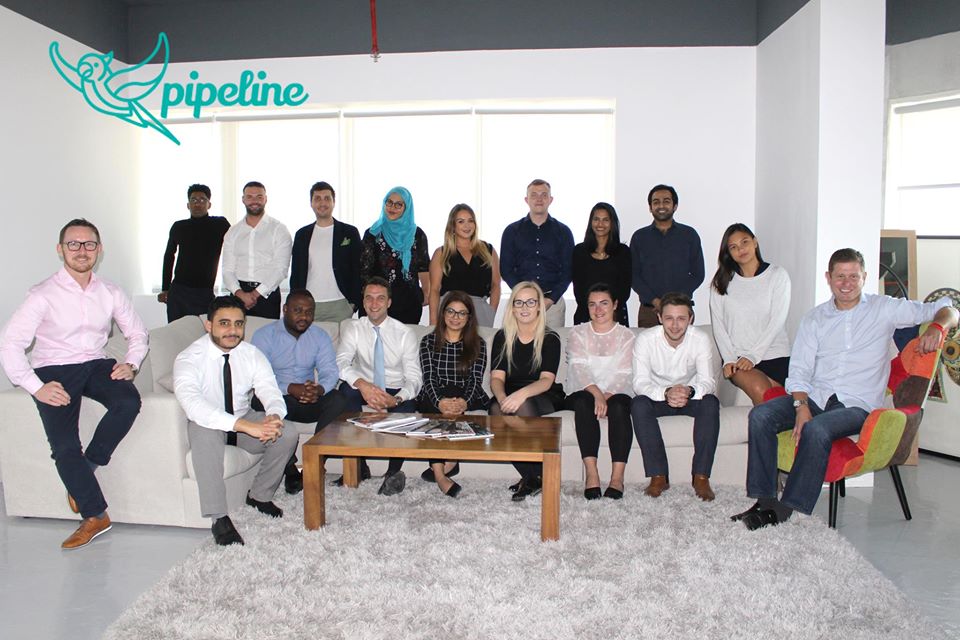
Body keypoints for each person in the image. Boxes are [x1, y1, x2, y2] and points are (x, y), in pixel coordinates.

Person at [735, 248, 958, 530]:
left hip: (857, 405)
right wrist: (801, 406)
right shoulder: (815, 318)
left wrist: (938, 326)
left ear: (864, 277)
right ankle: (764, 502)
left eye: (854, 276)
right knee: (760, 416)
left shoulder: (885, 308)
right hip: (816, 397)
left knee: (817, 429)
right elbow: (800, 369)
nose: (847, 283)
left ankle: (788, 508)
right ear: (829, 278)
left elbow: (949, 308)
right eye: (840, 276)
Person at [0, 219, 146, 549]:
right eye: (73, 244)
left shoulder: (110, 292)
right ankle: (96, 516)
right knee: (65, 446)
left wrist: (132, 363)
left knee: (128, 402)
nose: (82, 250)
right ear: (60, 249)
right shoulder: (42, 294)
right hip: (54, 368)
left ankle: (89, 464)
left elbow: (138, 333)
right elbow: (9, 344)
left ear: (99, 249)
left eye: (89, 244)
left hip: (95, 363)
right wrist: (35, 386)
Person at [173, 295, 299, 546]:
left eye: (238, 324)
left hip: (243, 417)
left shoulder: (251, 354)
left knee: (288, 433)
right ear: (209, 325)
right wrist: (245, 426)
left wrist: (274, 416)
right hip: (208, 421)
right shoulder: (189, 358)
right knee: (204, 435)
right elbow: (193, 405)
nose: (232, 331)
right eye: (224, 323)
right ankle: (219, 518)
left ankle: (259, 496)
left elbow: (270, 390)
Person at [251, 289, 348, 495]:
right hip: (280, 398)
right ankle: (290, 468)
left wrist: (319, 389)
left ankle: (315, 461)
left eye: (309, 312)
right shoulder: (264, 335)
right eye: (298, 310)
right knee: (258, 401)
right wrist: (289, 388)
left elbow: (330, 371)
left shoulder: (319, 336)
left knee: (339, 399)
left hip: (309, 399)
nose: (304, 316)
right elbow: (258, 377)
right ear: (285, 309)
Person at [336, 277, 422, 495]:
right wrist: (363, 385)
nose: (374, 304)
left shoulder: (405, 333)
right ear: (363, 302)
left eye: (380, 298)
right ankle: (359, 466)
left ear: (389, 303)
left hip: (394, 389)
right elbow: (341, 363)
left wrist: (396, 399)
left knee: (408, 407)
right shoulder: (354, 328)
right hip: (365, 385)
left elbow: (414, 378)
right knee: (344, 394)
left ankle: (392, 473)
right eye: (369, 298)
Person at [630, 291, 719, 501]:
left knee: (711, 402)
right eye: (669, 318)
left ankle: (701, 477)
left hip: (690, 397)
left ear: (691, 319)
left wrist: (690, 391)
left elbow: (708, 381)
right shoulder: (645, 340)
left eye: (681, 318)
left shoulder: (700, 339)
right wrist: (666, 393)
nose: (675, 325)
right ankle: (658, 476)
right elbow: (640, 383)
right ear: (659, 318)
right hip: (659, 397)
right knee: (638, 404)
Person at [490, 281, 565, 501]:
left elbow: (546, 380)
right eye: (519, 302)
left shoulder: (551, 338)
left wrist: (520, 395)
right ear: (512, 307)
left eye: (531, 302)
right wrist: (502, 398)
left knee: (522, 406)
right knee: (496, 410)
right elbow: (496, 379)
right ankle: (535, 476)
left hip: (541, 393)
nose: (524, 307)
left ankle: (533, 477)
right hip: (509, 392)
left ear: (539, 306)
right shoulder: (502, 337)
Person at [564, 283, 635, 500]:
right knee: (583, 402)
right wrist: (597, 395)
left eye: (604, 303)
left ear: (615, 305)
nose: (598, 309)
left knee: (620, 406)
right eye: (592, 304)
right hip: (584, 390)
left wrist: (607, 396)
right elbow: (579, 368)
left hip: (617, 392)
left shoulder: (627, 336)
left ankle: (617, 478)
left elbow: (625, 372)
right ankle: (591, 474)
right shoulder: (577, 333)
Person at [709, 223, 791, 405]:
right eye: (733, 247)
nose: (740, 249)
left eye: (744, 242)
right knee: (762, 392)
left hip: (775, 354)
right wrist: (729, 359)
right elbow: (719, 325)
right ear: (728, 253)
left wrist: (753, 356)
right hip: (738, 357)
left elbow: (777, 321)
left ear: (755, 242)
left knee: (782, 402)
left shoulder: (777, 275)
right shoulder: (721, 282)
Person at [418, 291, 490, 497]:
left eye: (461, 313)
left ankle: (440, 469)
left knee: (452, 393)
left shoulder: (478, 343)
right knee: (435, 404)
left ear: (469, 317)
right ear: (443, 313)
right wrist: (440, 402)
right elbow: (429, 377)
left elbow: (475, 379)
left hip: (466, 395)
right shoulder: (428, 341)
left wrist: (465, 402)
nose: (455, 317)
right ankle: (442, 474)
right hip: (434, 395)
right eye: (451, 311)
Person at [500, 179, 575, 328]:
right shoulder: (512, 231)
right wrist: (525, 298)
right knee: (515, 342)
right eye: (534, 195)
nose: (539, 199)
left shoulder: (563, 232)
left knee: (553, 342)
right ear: (526, 200)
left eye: (544, 195)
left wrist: (550, 299)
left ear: (551, 199)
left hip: (552, 305)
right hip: (521, 304)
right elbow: (506, 269)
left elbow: (568, 271)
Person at [629, 184, 705, 328]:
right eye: (656, 202)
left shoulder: (689, 235)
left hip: (681, 310)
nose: (661, 205)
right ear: (650, 207)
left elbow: (698, 274)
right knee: (647, 343)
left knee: (684, 344)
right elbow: (634, 276)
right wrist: (655, 301)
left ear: (675, 206)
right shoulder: (639, 237)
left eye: (666, 201)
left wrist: (675, 301)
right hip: (650, 311)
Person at [289, 181, 362, 323]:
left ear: (334, 202)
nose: (322, 203)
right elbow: (296, 272)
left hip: (341, 305)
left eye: (327, 198)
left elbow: (357, 269)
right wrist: (296, 302)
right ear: (311, 203)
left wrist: (353, 303)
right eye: (317, 198)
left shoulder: (349, 232)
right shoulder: (301, 235)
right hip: (308, 304)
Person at [158, 184, 231, 322]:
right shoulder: (179, 226)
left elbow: (235, 248)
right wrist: (165, 288)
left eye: (202, 200)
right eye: (194, 200)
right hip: (179, 292)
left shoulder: (220, 224)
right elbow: (169, 256)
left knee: (203, 331)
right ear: (188, 205)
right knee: (176, 331)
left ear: (209, 204)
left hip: (205, 292)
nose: (198, 204)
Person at [221, 181, 293, 319]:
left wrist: (255, 294)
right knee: (236, 333)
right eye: (249, 197)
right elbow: (227, 269)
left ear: (265, 199)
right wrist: (240, 294)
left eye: (259, 197)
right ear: (243, 199)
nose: (254, 201)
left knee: (267, 333)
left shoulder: (279, 230)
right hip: (238, 295)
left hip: (268, 295)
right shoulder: (233, 232)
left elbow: (281, 269)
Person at [359, 187, 430, 325]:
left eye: (398, 204)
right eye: (389, 202)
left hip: (409, 303)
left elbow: (423, 267)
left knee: (406, 338)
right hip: (377, 303)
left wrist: (427, 293)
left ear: (406, 208)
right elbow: (364, 271)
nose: (392, 207)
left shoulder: (417, 234)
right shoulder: (373, 233)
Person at [428, 204, 501, 327]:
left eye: (470, 221)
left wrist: (490, 312)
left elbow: (496, 284)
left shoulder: (488, 250)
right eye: (461, 221)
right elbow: (434, 290)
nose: (467, 226)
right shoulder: (441, 253)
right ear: (453, 226)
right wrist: (433, 322)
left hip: (480, 315)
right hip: (450, 313)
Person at [571, 202, 631, 326]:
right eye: (596, 219)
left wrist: (610, 312)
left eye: (605, 220)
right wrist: (593, 311)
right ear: (591, 222)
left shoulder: (623, 252)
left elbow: (624, 290)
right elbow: (578, 289)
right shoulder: (579, 251)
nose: (600, 224)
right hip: (585, 316)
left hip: (616, 316)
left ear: (612, 223)